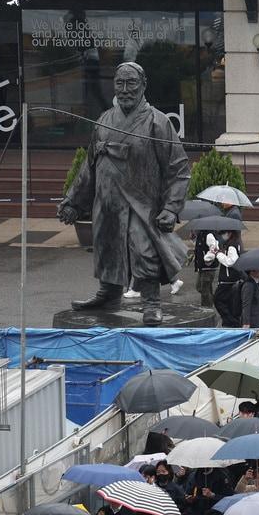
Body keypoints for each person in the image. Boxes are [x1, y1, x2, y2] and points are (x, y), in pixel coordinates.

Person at [58, 62, 191, 326]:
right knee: (107, 247)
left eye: (131, 83)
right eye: (120, 83)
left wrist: (170, 208)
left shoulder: (158, 122)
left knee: (143, 250)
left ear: (143, 85)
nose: (125, 89)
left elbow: (179, 168)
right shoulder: (104, 120)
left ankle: (152, 302)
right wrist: (74, 201)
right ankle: (108, 294)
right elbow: (90, 166)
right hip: (107, 202)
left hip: (141, 203)